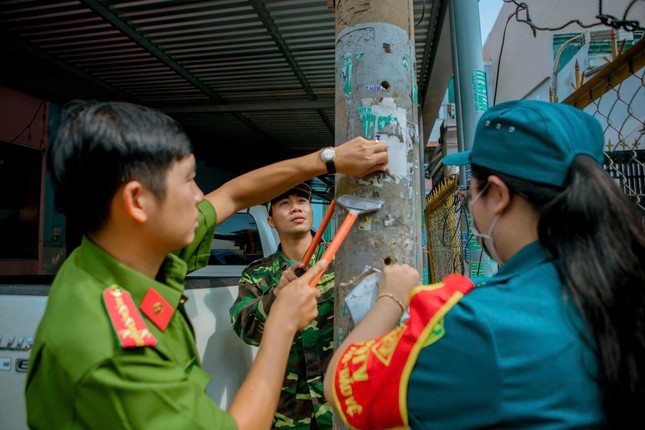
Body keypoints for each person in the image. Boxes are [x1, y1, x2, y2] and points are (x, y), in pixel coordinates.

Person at [25, 100, 388, 430]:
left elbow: (234, 194)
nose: (200, 196)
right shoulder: (111, 351)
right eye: (188, 181)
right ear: (137, 201)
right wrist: (282, 322)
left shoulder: (129, 249)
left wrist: (329, 159)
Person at [323, 99, 645, 429]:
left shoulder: (478, 324)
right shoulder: (622, 287)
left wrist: (390, 299)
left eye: (470, 190)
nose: (468, 201)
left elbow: (343, 385)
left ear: (497, 194)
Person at [230, 182, 334, 429]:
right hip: (288, 414)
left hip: (338, 404)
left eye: (302, 201)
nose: (295, 208)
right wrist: (276, 294)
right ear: (271, 221)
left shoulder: (340, 261)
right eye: (284, 204)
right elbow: (246, 330)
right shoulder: (256, 275)